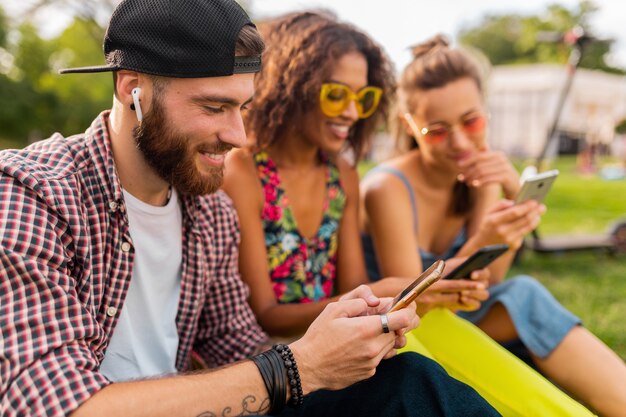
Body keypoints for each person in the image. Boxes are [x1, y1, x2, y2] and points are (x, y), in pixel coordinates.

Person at [0, 2, 502, 416]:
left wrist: (337, 341)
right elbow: (52, 406)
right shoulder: (32, 193)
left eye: (242, 107)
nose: (238, 136)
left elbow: (240, 347)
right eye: (214, 107)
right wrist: (301, 366)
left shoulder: (209, 215)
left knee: (409, 384)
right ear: (133, 89)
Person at [223, 12, 594, 417]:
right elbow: (268, 316)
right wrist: (384, 289)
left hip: (344, 329)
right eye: (336, 95)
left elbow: (350, 288)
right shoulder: (244, 171)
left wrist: (398, 292)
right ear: (291, 87)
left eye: (362, 99)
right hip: (287, 356)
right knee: (417, 351)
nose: (351, 111)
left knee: (431, 331)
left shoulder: (340, 174)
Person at [360, 34, 626, 417]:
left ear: (486, 111)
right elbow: (413, 301)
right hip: (414, 328)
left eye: (471, 121)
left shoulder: (485, 173)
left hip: (464, 314)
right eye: (437, 130)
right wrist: (484, 239)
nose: (459, 142)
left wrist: (511, 222)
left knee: (521, 292)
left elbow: (492, 282)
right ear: (409, 125)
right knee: (524, 296)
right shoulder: (388, 188)